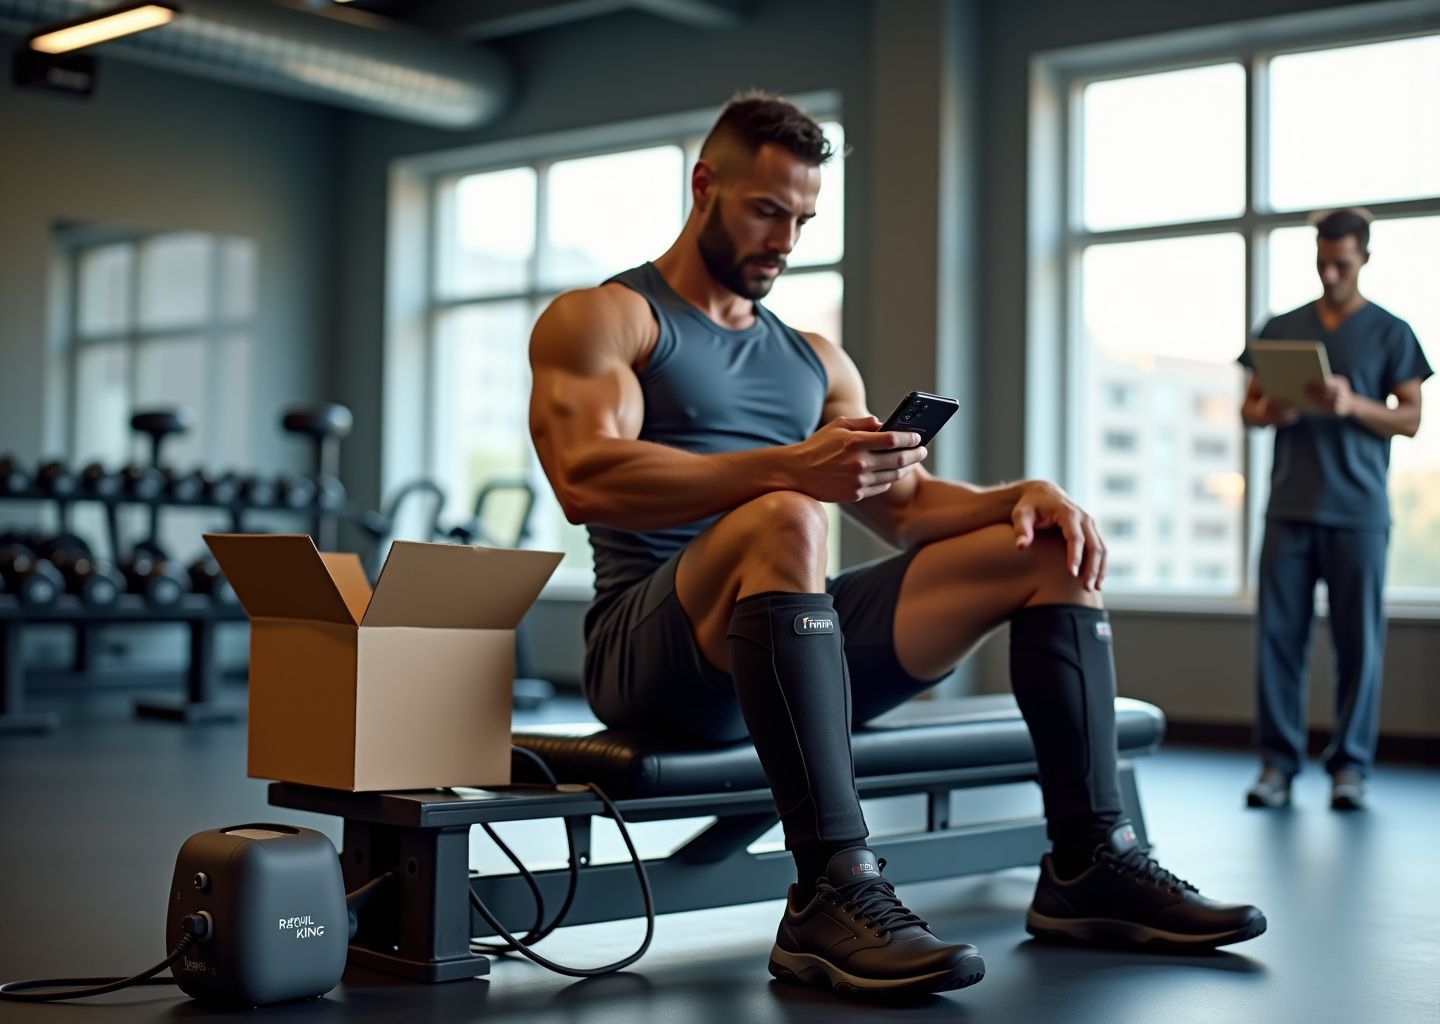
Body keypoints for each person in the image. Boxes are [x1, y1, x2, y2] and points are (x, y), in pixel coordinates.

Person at [529, 92, 1265, 997]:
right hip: (652, 658)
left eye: (803, 219)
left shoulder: (814, 359)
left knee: (1040, 544)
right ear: (705, 185)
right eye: (766, 210)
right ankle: (828, 893)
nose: (785, 240)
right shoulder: (608, 318)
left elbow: (908, 509)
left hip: (790, 637)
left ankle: (1088, 863)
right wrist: (794, 467)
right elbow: (585, 478)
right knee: (791, 513)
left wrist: (1019, 495)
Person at [1240, 209, 1430, 812]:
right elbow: (1249, 407)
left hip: (1359, 513)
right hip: (1290, 509)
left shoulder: (1392, 332)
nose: (1329, 273)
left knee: (1358, 645)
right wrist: (1273, 410)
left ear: (1364, 259)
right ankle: (1277, 765)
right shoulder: (1281, 326)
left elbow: (1412, 418)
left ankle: (1350, 767)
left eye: (1341, 264)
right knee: (1279, 641)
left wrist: (1354, 405)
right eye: (1322, 262)